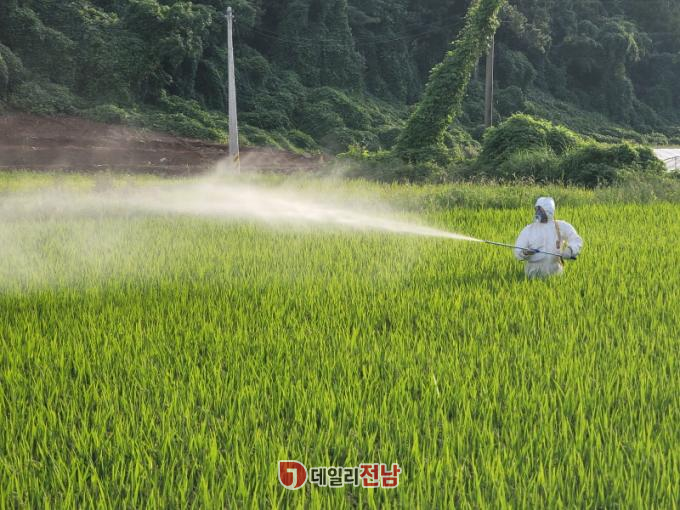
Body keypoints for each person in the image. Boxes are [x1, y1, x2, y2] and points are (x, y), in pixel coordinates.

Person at [514, 197, 583, 279]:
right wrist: (525, 252)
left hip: (555, 274)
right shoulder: (529, 229)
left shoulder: (561, 226)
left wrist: (570, 250)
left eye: (540, 210)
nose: (537, 212)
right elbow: (517, 251)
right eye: (536, 209)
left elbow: (576, 240)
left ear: (549, 210)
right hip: (532, 274)